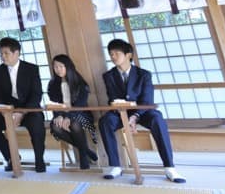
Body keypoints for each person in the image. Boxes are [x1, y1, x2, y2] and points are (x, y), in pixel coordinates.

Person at [99, 39, 185, 183]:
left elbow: (147, 100)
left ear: (128, 55)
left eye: (117, 53)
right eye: (111, 54)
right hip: (120, 112)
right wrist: (122, 111)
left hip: (142, 112)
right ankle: (115, 165)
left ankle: (169, 167)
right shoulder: (108, 76)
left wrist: (135, 116)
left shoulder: (144, 74)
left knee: (157, 118)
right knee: (105, 121)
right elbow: (112, 98)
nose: (113, 57)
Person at [0, 37, 46, 172]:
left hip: (28, 111)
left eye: (6, 53)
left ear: (16, 53)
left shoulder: (31, 69)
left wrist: (21, 113)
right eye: (1, 54)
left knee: (37, 123)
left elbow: (36, 95)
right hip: (8, 112)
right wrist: (7, 113)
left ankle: (39, 159)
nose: (3, 57)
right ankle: (12, 157)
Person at [47, 54, 97, 170]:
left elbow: (81, 105)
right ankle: (86, 151)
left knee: (74, 123)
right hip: (62, 114)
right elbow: (55, 104)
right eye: (55, 67)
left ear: (68, 66)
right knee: (55, 127)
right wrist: (59, 115)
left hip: (81, 114)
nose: (58, 69)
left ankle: (83, 156)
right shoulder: (53, 84)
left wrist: (69, 117)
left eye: (61, 66)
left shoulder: (80, 83)